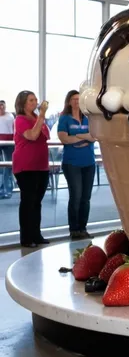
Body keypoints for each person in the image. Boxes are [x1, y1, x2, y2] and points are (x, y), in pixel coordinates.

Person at [12, 91, 50, 248]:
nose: (35, 102)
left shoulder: (37, 118)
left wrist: (40, 117)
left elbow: (45, 136)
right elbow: (33, 135)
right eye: (31, 100)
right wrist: (41, 115)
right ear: (23, 103)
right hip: (26, 166)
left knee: (37, 202)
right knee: (28, 201)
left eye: (35, 100)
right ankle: (26, 238)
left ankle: (36, 234)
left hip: (41, 165)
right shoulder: (20, 120)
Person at [57, 90, 96, 240]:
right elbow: (64, 139)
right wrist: (85, 138)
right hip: (72, 163)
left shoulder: (88, 118)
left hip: (89, 163)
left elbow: (95, 136)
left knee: (86, 198)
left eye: (78, 99)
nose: (76, 101)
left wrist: (76, 136)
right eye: (73, 99)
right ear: (68, 101)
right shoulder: (64, 119)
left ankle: (82, 228)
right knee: (76, 196)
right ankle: (74, 230)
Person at [0, 99, 15, 199]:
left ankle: (7, 188)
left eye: (3, 105)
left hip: (9, 142)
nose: (1, 107)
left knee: (8, 165)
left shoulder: (10, 116)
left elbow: (13, 129)